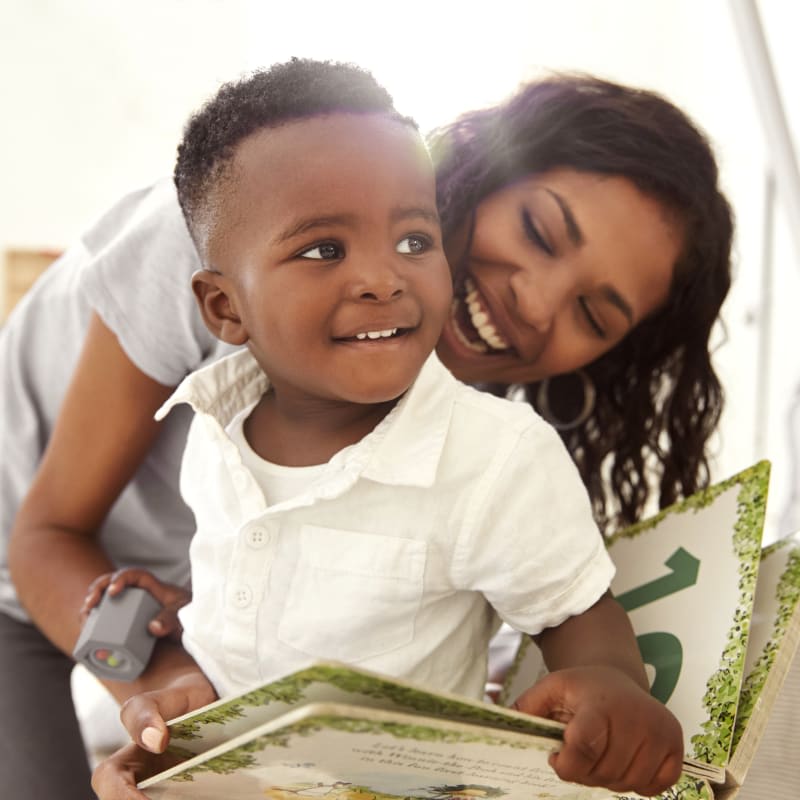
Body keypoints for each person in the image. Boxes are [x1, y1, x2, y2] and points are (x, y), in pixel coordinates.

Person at [2, 69, 733, 800]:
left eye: (593, 317)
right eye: (539, 231)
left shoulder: (486, 437)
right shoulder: (222, 222)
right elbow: (46, 535)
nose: (536, 305)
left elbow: (475, 600)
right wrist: (162, 686)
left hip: (177, 615)